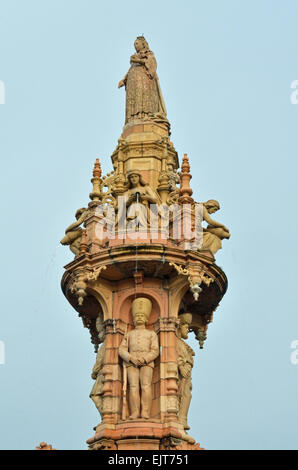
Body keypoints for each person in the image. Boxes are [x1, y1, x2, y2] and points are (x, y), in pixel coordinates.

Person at [119, 297, 159, 419]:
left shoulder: (151, 334)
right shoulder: (129, 334)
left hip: (147, 362)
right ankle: (135, 412)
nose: (139, 317)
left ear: (146, 318)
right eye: (137, 315)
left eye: (142, 315)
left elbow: (155, 350)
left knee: (146, 386)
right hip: (131, 362)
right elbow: (121, 349)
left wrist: (145, 359)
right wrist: (130, 358)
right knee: (133, 387)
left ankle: (145, 411)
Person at [118, 36, 168, 128]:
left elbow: (152, 64)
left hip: (144, 79)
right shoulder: (134, 57)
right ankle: (134, 118)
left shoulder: (149, 54)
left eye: (137, 44)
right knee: (135, 98)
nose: (135, 46)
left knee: (144, 96)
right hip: (133, 81)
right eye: (134, 44)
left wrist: (139, 61)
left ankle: (146, 116)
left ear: (143, 44)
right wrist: (124, 80)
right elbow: (130, 70)